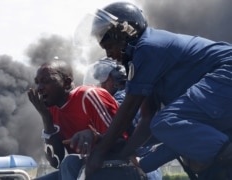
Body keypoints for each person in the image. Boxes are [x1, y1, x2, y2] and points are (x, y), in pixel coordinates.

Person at [85, 2, 232, 179]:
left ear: (125, 34)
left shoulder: (148, 48)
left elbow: (129, 109)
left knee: (167, 121)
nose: (109, 55)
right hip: (222, 94)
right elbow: (147, 121)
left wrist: (101, 150)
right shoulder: (145, 61)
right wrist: (123, 152)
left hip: (227, 72)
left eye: (110, 47)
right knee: (177, 134)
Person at [28, 60, 146, 180]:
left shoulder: (87, 96)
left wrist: (95, 137)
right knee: (69, 164)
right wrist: (46, 118)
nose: (39, 88)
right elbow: (56, 162)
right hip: (86, 169)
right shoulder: (52, 109)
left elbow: (123, 145)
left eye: (46, 82)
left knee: (71, 162)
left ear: (67, 83)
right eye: (37, 83)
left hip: (121, 167)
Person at [84, 57, 162, 180]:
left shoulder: (122, 99)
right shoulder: (127, 96)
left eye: (103, 79)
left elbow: (116, 124)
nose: (100, 84)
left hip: (136, 165)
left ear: (114, 79)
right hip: (139, 164)